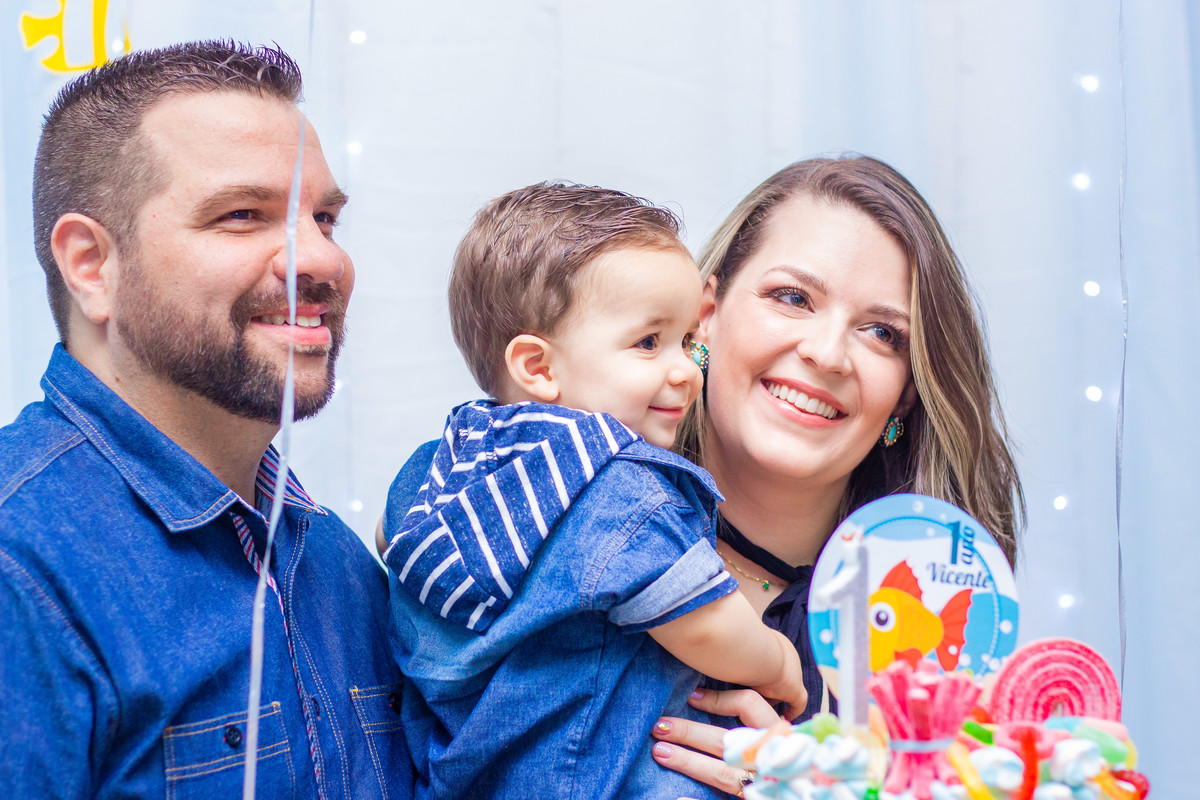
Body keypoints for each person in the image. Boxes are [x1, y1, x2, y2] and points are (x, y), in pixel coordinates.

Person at [0, 42, 413, 799]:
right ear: (92, 264)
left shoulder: (338, 563)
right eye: (242, 214)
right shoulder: (19, 566)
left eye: (324, 217)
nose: (321, 260)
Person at [378, 183, 806, 799]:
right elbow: (709, 628)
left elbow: (391, 538)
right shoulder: (618, 489)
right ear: (540, 368)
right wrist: (778, 663)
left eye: (688, 340)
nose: (686, 368)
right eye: (648, 343)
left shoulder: (436, 465)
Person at [645, 155, 1025, 796]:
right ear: (704, 313)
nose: (826, 353)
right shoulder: (558, 524)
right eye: (792, 298)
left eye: (882, 333)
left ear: (905, 394)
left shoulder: (937, 621)